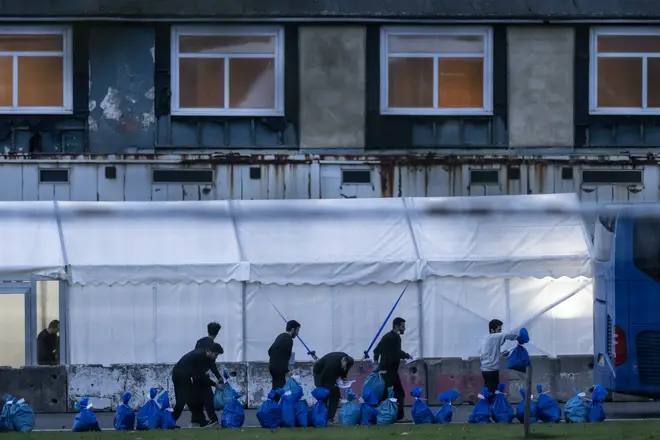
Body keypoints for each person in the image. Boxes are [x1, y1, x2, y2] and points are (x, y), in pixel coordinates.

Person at [171, 344, 224, 428]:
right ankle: (170, 422)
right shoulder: (199, 357)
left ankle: (199, 420)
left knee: (193, 398)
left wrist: (218, 378)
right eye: (215, 355)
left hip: (187, 375)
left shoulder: (204, 355)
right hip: (180, 376)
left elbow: (205, 371)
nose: (216, 357)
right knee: (181, 401)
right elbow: (201, 376)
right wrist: (216, 384)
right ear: (209, 351)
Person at [373, 317, 412, 422]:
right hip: (390, 371)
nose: (404, 328)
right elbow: (397, 352)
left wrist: (376, 364)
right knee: (399, 393)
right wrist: (408, 356)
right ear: (397, 326)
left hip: (386, 370)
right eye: (402, 326)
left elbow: (376, 350)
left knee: (386, 394)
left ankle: (380, 415)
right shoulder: (395, 338)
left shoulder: (387, 337)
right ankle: (399, 417)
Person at [189, 322, 225, 427]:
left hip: (194, 374)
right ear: (217, 333)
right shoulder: (212, 345)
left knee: (197, 397)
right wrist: (218, 377)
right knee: (208, 397)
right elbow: (211, 364)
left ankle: (196, 420)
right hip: (203, 374)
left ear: (207, 330)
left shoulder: (199, 342)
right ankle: (213, 420)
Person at [479, 319, 520, 403]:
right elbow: (508, 335)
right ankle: (491, 411)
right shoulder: (494, 336)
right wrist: (520, 337)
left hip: (487, 370)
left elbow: (490, 354)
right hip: (491, 371)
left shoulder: (488, 338)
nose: (500, 332)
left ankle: (490, 410)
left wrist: (501, 354)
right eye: (499, 330)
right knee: (492, 394)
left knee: (491, 392)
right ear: (492, 330)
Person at [313, 352, 354, 422]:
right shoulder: (331, 365)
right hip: (320, 373)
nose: (345, 368)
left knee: (335, 395)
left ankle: (330, 417)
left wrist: (344, 377)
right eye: (345, 366)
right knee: (325, 395)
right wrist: (321, 387)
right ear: (344, 361)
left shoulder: (346, 359)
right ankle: (322, 417)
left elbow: (344, 369)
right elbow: (324, 376)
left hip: (330, 373)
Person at [268, 320, 300, 391]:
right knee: (280, 390)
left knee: (276, 388)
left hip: (273, 367)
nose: (297, 334)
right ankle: (275, 401)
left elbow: (270, 351)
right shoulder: (288, 339)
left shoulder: (280, 336)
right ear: (292, 329)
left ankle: (272, 401)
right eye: (297, 331)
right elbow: (285, 356)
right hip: (279, 369)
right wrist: (287, 370)